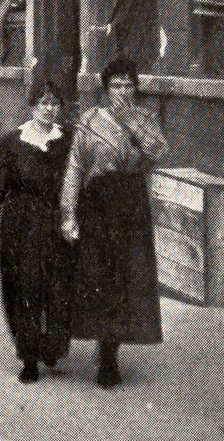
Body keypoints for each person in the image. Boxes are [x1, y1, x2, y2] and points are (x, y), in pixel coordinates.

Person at [61, 55, 168, 388]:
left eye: (129, 85)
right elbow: (75, 166)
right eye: (116, 85)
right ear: (106, 89)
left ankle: (112, 349)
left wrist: (132, 123)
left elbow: (158, 153)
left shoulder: (146, 120)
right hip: (98, 205)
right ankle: (103, 349)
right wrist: (68, 213)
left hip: (130, 205)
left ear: (136, 89)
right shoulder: (91, 120)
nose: (123, 91)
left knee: (125, 278)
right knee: (98, 275)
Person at [0, 77, 74, 382]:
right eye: (43, 103)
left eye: (54, 104)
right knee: (24, 287)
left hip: (56, 221)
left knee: (58, 287)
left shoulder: (67, 141)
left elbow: (78, 180)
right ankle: (29, 356)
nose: (49, 109)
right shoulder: (12, 142)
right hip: (20, 222)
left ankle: (53, 345)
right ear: (32, 106)